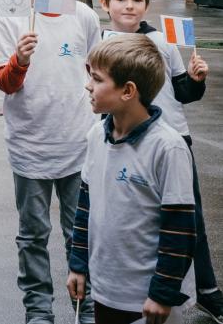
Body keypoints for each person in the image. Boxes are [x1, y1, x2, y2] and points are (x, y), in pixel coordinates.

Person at [0, 0, 99, 324]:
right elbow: (4, 84)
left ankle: (86, 307)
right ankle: (38, 309)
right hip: (29, 144)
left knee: (81, 233)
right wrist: (19, 59)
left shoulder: (83, 15)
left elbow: (95, 73)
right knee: (33, 235)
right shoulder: (8, 18)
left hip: (77, 143)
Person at [98, 0, 221, 321]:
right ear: (106, 4)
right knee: (130, 219)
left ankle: (208, 291)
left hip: (172, 140)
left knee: (188, 217)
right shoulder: (101, 42)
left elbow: (183, 91)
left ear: (146, 5)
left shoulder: (164, 41)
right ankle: (129, 290)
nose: (129, 6)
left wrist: (196, 80)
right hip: (124, 142)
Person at [67, 34, 196, 324]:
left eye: (97, 79)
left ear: (128, 91)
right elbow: (85, 208)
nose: (88, 85)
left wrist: (162, 293)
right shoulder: (96, 136)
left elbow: (180, 228)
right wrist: (78, 265)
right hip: (105, 289)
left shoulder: (167, 147)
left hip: (149, 300)